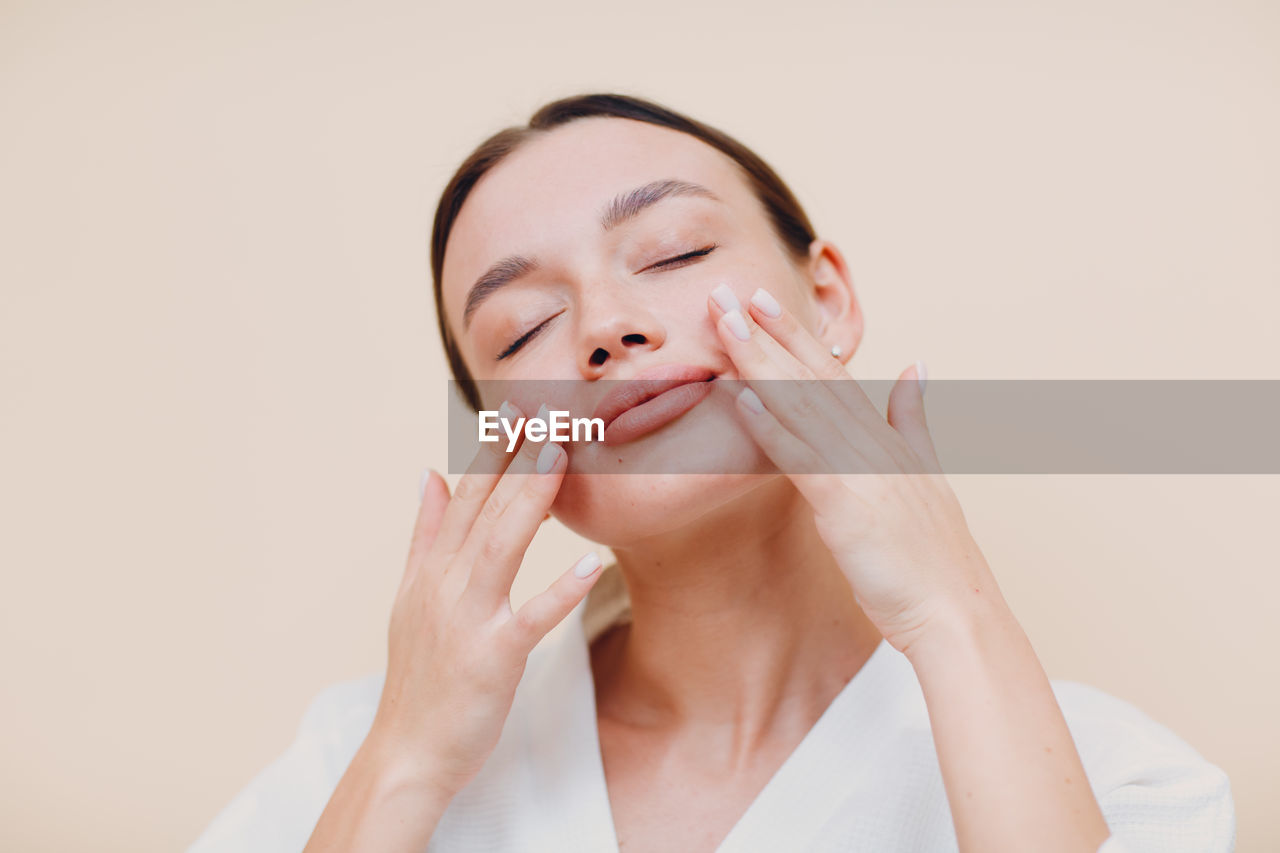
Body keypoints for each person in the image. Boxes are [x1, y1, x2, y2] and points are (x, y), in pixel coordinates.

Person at [188, 93, 1235, 853]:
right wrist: (406, 762)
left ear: (824, 298)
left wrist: (954, 612)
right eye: (524, 328)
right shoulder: (353, 759)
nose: (604, 328)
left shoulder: (1123, 783)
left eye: (675, 251)